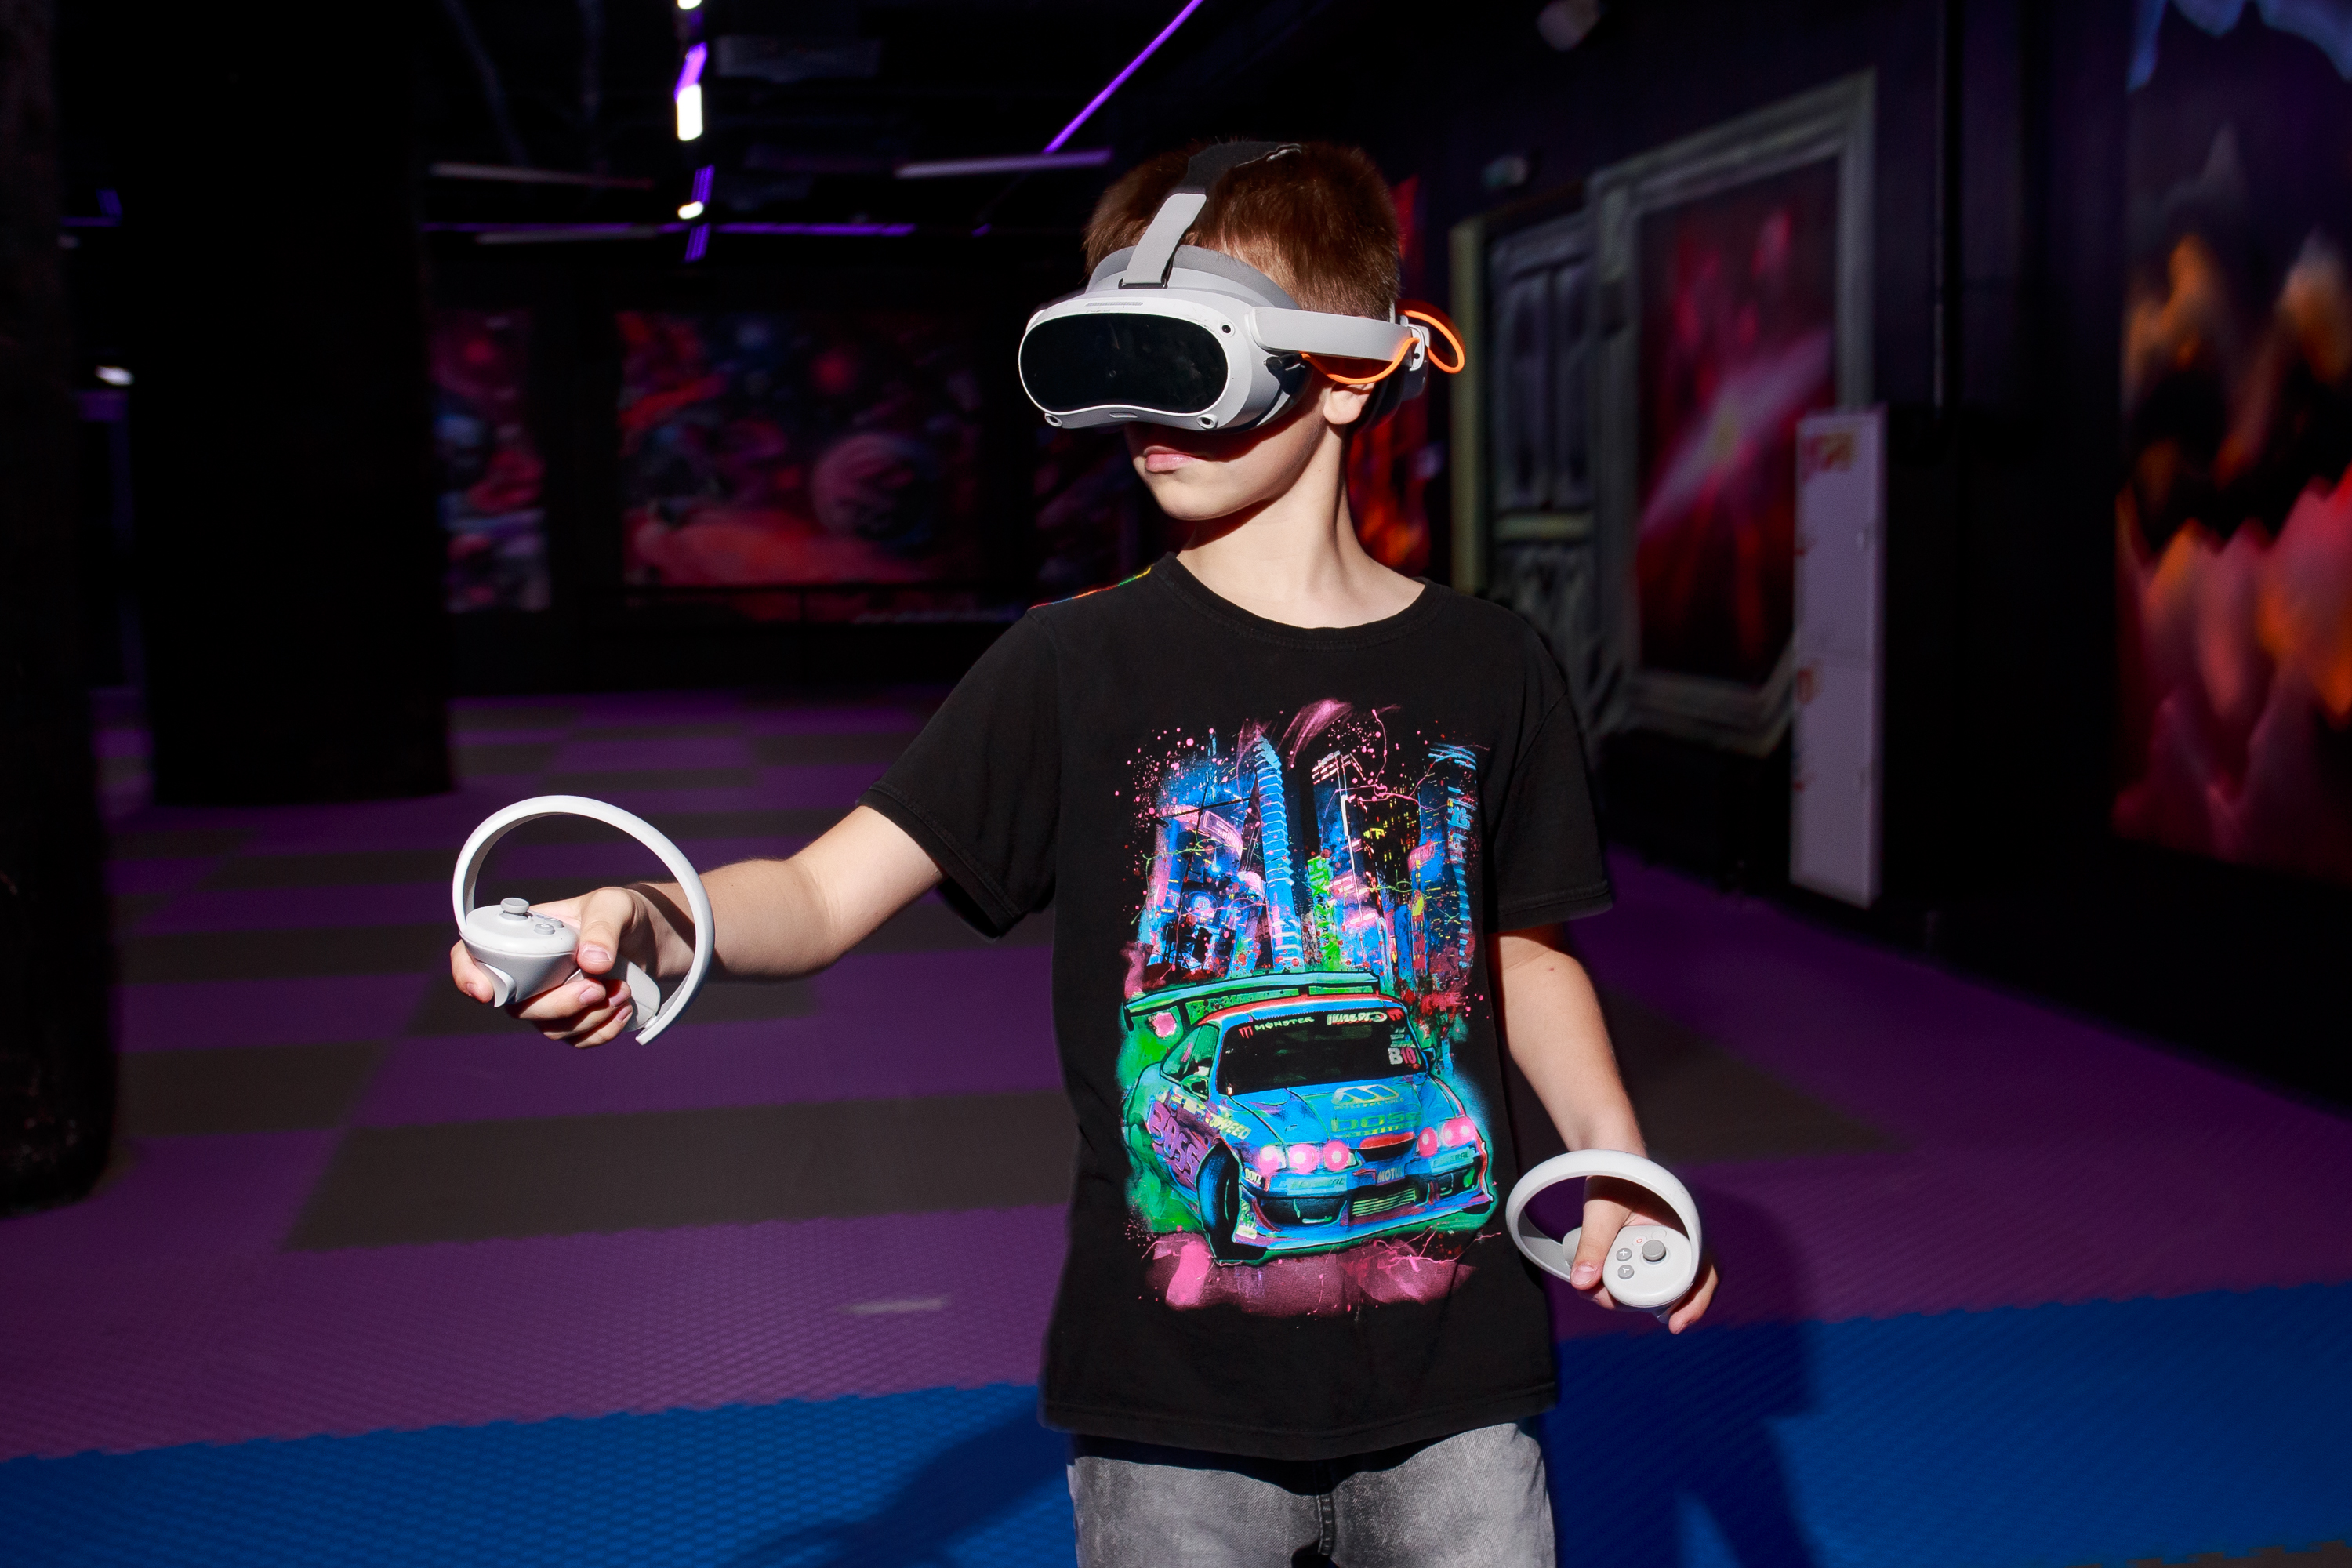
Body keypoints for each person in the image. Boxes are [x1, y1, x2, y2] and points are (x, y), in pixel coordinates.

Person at [449, 139, 1717, 1568]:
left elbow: (1520, 950)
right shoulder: (1070, 665)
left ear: (1351, 374)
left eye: (1184, 359)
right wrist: (645, 912)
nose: (1141, 414)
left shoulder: (1494, 663)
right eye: (1111, 355)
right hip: (1168, 1406)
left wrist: (1615, 1154)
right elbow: (814, 893)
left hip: (1460, 1389)